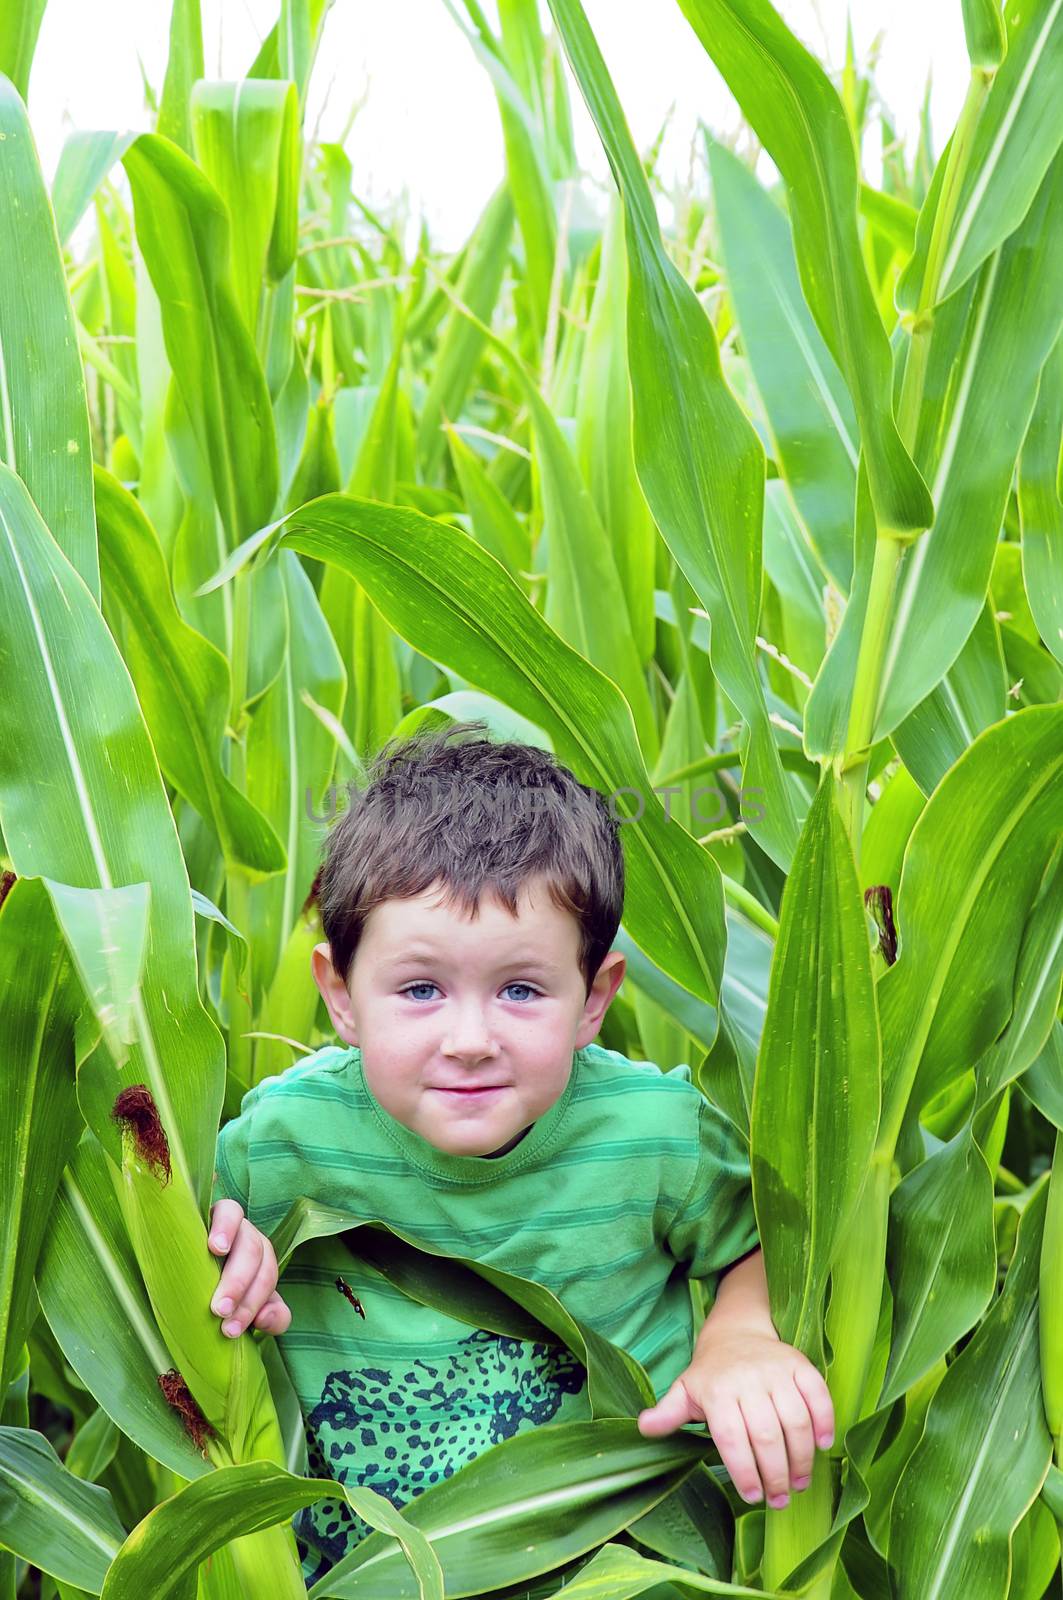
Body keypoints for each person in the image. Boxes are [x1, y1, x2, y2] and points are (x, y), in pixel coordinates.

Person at [207, 722, 834, 1587]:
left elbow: (769, 1242)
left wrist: (739, 1336)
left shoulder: (654, 1135)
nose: (470, 1039)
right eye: (420, 989)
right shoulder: (279, 1146)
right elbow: (183, 1246)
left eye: (521, 989)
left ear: (594, 997)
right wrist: (230, 1249)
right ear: (340, 995)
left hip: (621, 1575)